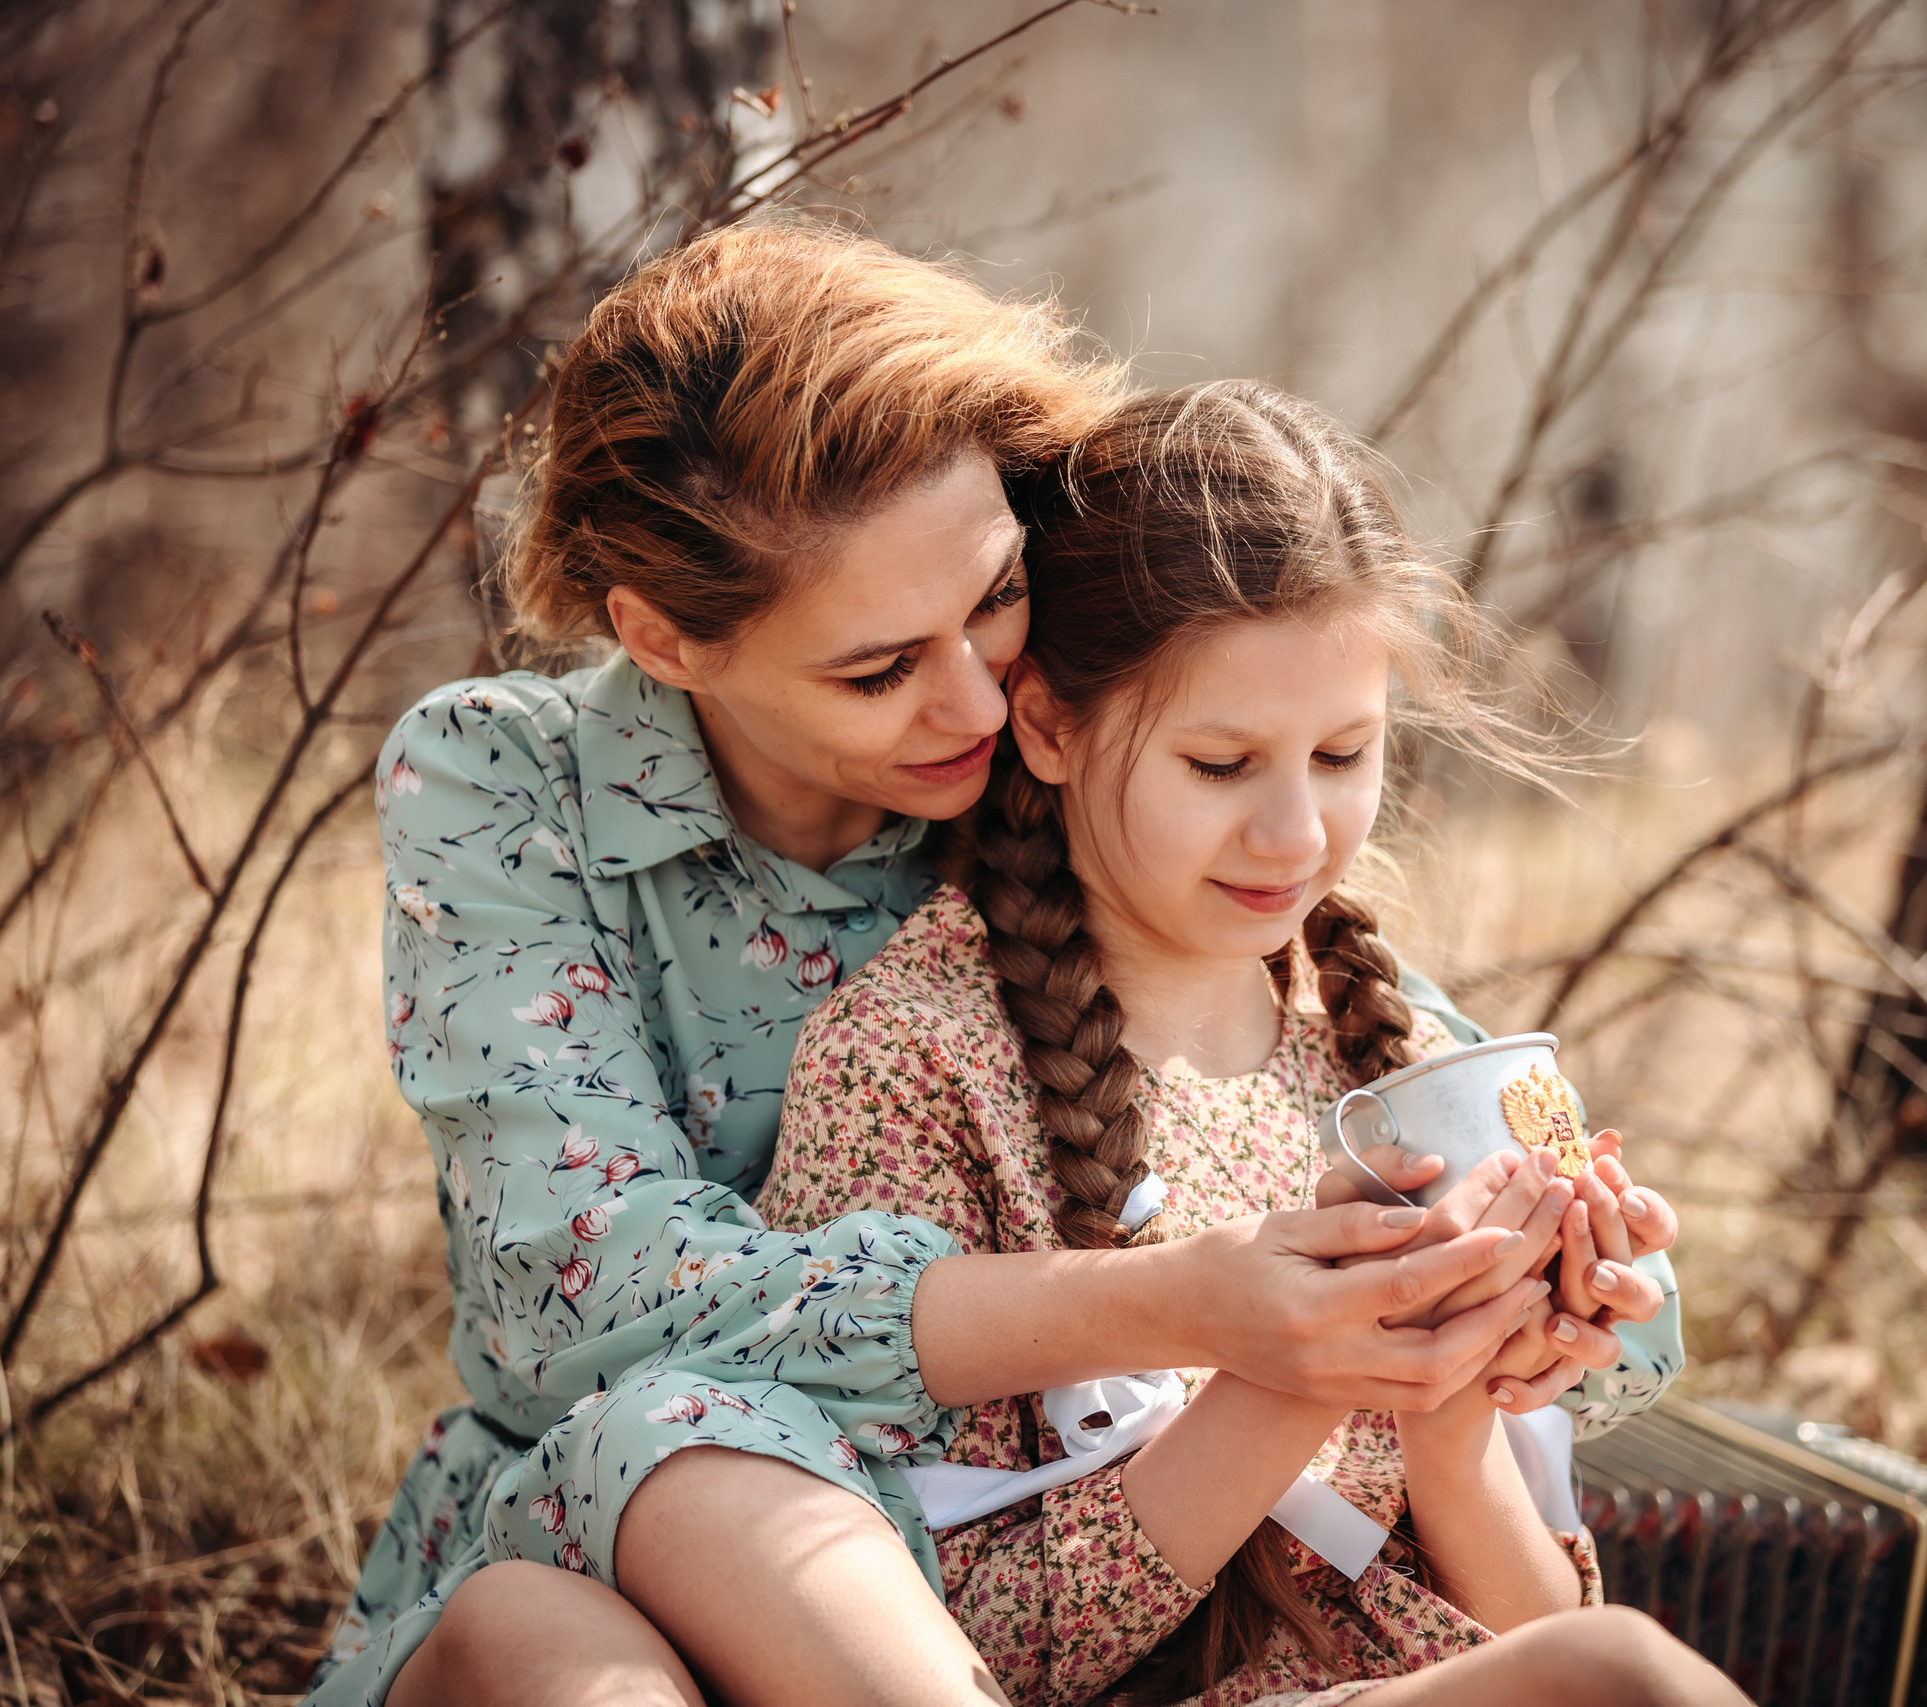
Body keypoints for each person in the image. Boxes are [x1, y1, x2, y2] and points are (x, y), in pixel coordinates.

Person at [310, 222, 1680, 1707]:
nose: (975, 699)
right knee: (647, 1518)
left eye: (995, 600)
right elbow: (586, 1296)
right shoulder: (512, 787)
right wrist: (1186, 1304)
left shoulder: (1072, 763)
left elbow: (1401, 1086)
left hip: (1020, 1584)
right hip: (664, 1526)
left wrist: (1546, 1272)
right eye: (878, 668)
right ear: (666, 640)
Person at [756, 381, 1722, 1706]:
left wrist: (1449, 1402)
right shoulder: (912, 1065)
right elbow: (937, 1654)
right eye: (1220, 765)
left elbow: (1539, 1630)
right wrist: (1308, 1366)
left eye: (1343, 754)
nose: (1296, 836)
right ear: (1047, 724)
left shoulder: (1388, 1051)